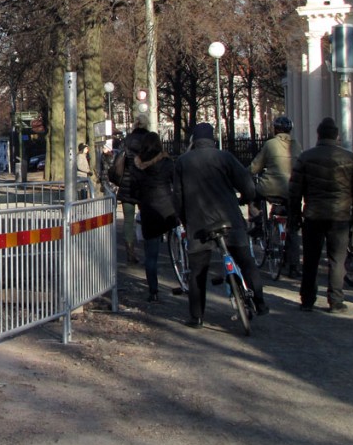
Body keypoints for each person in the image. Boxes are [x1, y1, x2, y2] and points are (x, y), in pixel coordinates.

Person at [173, 122, 267, 328]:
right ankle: (259, 301)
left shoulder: (183, 161)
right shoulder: (225, 157)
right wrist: (246, 198)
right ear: (213, 139)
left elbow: (178, 196)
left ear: (193, 140)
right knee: (245, 260)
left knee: (198, 270)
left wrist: (183, 218)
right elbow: (247, 183)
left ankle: (196, 317)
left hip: (198, 223)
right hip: (230, 219)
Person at [288, 117, 353, 314]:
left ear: (318, 135)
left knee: (311, 259)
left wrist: (294, 216)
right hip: (340, 217)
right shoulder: (350, 158)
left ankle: (307, 299)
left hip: (313, 215)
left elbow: (294, 191)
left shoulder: (306, 157)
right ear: (337, 136)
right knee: (337, 260)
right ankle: (336, 300)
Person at [248, 115, 303, 276]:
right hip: (292, 190)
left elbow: (255, 167)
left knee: (253, 195)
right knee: (292, 227)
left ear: (276, 129)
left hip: (270, 188)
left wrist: (245, 174)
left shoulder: (270, 144)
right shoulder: (297, 145)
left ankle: (257, 224)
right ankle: (293, 267)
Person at [130, 132, 178, 304]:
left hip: (149, 209)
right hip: (167, 207)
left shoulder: (137, 165)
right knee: (180, 233)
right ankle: (184, 271)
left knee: (151, 254)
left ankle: (153, 291)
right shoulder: (166, 162)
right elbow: (176, 182)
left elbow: (134, 189)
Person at [109, 116, 149, 264]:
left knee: (128, 221)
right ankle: (148, 251)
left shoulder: (127, 140)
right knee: (146, 219)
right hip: (144, 186)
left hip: (127, 186)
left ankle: (130, 253)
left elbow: (119, 160)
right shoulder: (149, 139)